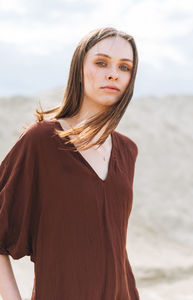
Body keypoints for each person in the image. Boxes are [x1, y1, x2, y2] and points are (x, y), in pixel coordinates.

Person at [0, 27, 139, 300]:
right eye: (101, 63)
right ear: (78, 69)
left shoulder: (127, 150)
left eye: (125, 67)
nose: (113, 73)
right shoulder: (40, 140)